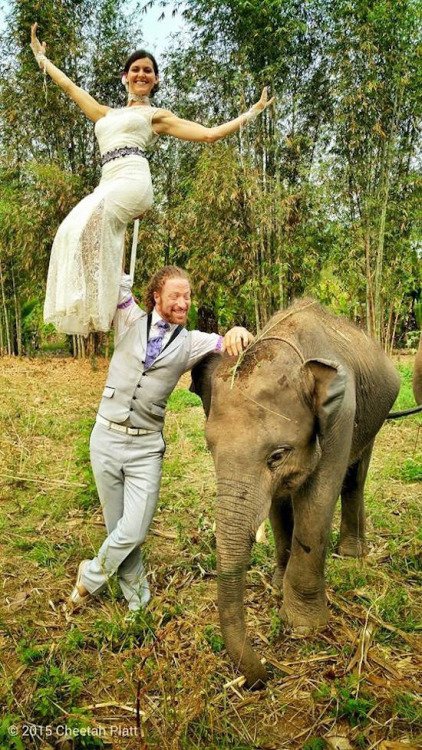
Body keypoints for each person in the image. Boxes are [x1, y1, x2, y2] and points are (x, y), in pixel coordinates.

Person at [30, 24, 274, 336]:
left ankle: (111, 298)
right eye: (135, 69)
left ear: (155, 79)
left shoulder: (156, 116)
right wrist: (43, 60)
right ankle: (112, 299)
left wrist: (251, 113)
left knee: (95, 216)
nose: (141, 74)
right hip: (107, 181)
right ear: (125, 77)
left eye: (148, 70)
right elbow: (71, 88)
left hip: (132, 179)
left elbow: (208, 134)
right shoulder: (105, 114)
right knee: (70, 229)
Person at [67, 265, 253, 613]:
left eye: (188, 296)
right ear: (156, 296)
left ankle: (90, 575)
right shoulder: (129, 320)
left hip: (145, 447)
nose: (184, 303)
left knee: (134, 529)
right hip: (105, 437)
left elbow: (225, 343)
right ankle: (138, 598)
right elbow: (112, 283)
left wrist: (239, 331)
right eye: (176, 296)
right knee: (118, 525)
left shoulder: (191, 341)